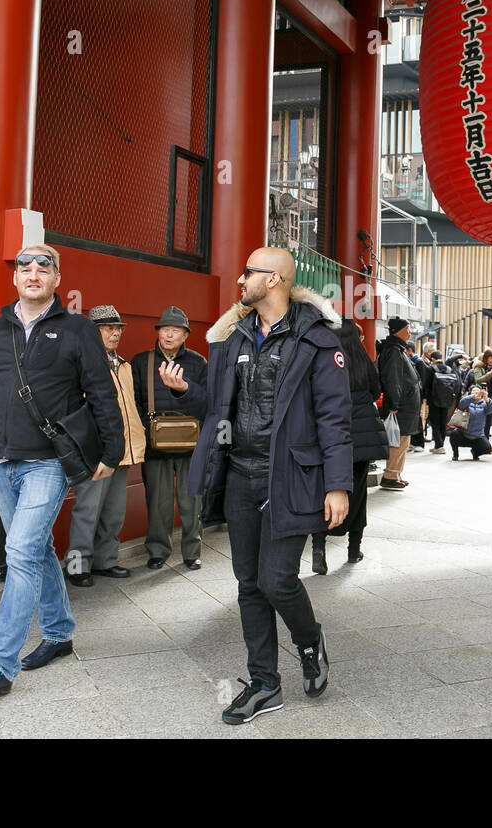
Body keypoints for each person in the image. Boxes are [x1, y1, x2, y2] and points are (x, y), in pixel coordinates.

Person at [0, 244, 123, 695]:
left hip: (48, 464)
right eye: (24, 267)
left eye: (43, 267)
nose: (33, 273)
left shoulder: (78, 330)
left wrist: (112, 452)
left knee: (19, 553)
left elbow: (102, 394)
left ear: (56, 278)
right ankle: (58, 632)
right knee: (37, 551)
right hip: (2, 463)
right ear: (14, 277)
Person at [189, 247, 351, 724]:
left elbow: (334, 419)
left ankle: (308, 640)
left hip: (292, 476)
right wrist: (186, 394)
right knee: (248, 584)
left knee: (277, 579)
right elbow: (218, 409)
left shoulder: (317, 341)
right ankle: (264, 683)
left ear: (275, 279)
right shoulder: (234, 339)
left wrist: (337, 484)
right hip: (241, 473)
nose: (241, 279)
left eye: (250, 273)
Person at [66, 305, 149, 587]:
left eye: (118, 329)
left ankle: (106, 561)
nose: (115, 333)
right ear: (93, 332)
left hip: (121, 450)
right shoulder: (83, 364)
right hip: (95, 452)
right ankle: (78, 567)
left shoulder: (124, 365)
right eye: (108, 329)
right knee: (87, 511)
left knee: (114, 513)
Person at [133, 305, 208, 571]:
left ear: (185, 335)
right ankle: (157, 552)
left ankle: (192, 552)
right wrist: (148, 429)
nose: (168, 334)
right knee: (157, 503)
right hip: (156, 446)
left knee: (191, 503)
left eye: (175, 330)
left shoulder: (199, 363)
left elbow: (206, 402)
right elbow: (135, 402)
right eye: (165, 329)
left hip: (191, 446)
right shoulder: (142, 362)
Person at [312, 320, 384, 574]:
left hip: (332, 437)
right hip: (362, 439)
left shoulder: (326, 362)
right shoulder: (364, 361)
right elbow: (377, 392)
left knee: (326, 491)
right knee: (359, 494)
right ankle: (354, 550)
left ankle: (318, 548)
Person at [376, 318, 420, 490]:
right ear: (398, 330)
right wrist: (394, 403)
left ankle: (396, 473)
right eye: (407, 328)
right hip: (400, 406)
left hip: (404, 405)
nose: (409, 332)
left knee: (403, 441)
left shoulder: (398, 349)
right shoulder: (394, 351)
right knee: (398, 440)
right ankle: (390, 475)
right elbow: (393, 380)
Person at [450, 386, 492, 460]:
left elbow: (491, 410)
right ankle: (455, 454)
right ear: (470, 393)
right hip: (463, 434)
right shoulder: (466, 401)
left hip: (477, 436)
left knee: (487, 448)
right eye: (474, 391)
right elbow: (461, 404)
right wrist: (473, 397)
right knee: (453, 434)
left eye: (478, 391)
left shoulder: (484, 404)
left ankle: (475, 453)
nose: (476, 392)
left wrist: (486, 398)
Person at [469, 348, 492, 451]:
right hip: (480, 398)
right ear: (486, 358)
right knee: (480, 423)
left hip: (491, 398)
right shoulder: (479, 367)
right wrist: (491, 373)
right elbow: (478, 380)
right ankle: (477, 447)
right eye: (491, 357)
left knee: (488, 424)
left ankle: (485, 446)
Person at [423, 349, 454, 454]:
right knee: (443, 422)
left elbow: (426, 384)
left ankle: (439, 445)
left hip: (434, 399)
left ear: (432, 359)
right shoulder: (449, 369)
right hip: (447, 399)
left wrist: (425, 397)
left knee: (435, 422)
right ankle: (440, 445)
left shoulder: (431, 368)